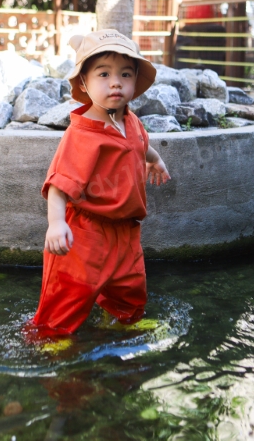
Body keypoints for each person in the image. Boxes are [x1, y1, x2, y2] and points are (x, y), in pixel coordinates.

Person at [26, 29, 171, 344]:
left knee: (130, 288)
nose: (115, 82)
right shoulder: (83, 134)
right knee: (69, 292)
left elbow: (140, 144)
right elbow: (59, 184)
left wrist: (155, 160)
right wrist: (56, 223)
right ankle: (50, 338)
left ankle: (122, 320)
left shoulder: (129, 120)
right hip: (85, 234)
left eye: (125, 74)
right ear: (83, 82)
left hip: (126, 231)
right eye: (103, 74)